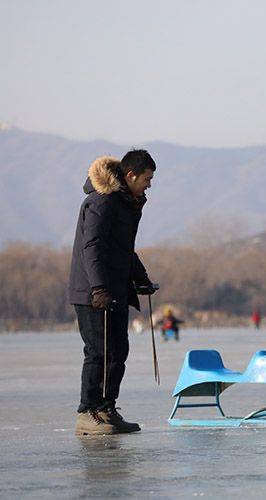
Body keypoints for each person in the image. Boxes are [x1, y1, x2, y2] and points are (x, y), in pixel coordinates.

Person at [68, 150, 157, 435]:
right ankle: (87, 412)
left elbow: (122, 248)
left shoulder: (125, 204)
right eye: (147, 178)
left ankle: (106, 408)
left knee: (118, 351)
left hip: (114, 289)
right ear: (130, 176)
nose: (149, 184)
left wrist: (140, 278)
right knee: (99, 352)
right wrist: (99, 288)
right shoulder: (102, 201)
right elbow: (91, 247)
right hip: (94, 292)